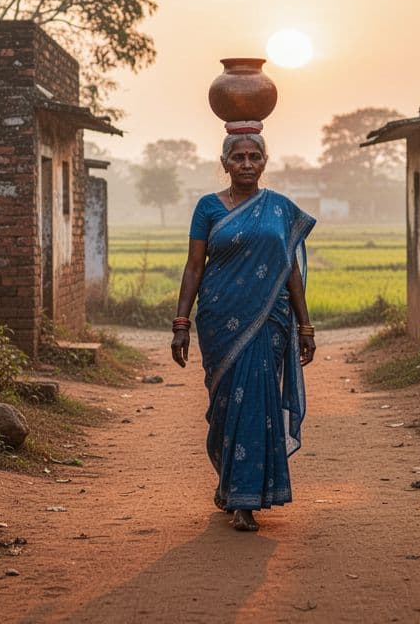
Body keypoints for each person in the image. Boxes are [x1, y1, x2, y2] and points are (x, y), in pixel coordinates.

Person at [171, 122, 317, 532]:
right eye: (238, 157)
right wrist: (181, 323)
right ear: (224, 163)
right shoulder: (208, 207)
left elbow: (290, 274)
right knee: (224, 407)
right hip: (220, 320)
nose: (247, 163)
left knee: (256, 403)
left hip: (268, 321)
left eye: (255, 157)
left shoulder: (281, 209)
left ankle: (243, 500)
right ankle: (230, 482)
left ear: (265, 161)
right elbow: (194, 267)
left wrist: (305, 326)